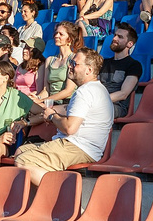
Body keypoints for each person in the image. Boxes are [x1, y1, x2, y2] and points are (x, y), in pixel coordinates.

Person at [15, 47, 113, 186]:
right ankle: (37, 204)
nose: (70, 66)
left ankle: (63, 196)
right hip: (78, 145)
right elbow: (68, 109)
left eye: (75, 64)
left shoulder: (85, 92)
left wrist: (52, 117)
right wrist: (45, 108)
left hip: (78, 146)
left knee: (23, 161)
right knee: (21, 151)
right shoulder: (95, 89)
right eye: (71, 62)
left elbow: (70, 128)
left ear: (89, 70)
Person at [99, 24, 141, 119]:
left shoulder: (134, 65)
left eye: (120, 37)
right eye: (115, 35)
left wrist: (98, 101)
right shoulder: (103, 63)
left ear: (130, 44)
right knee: (60, 110)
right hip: (96, 104)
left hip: (117, 107)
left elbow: (123, 94)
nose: (114, 38)